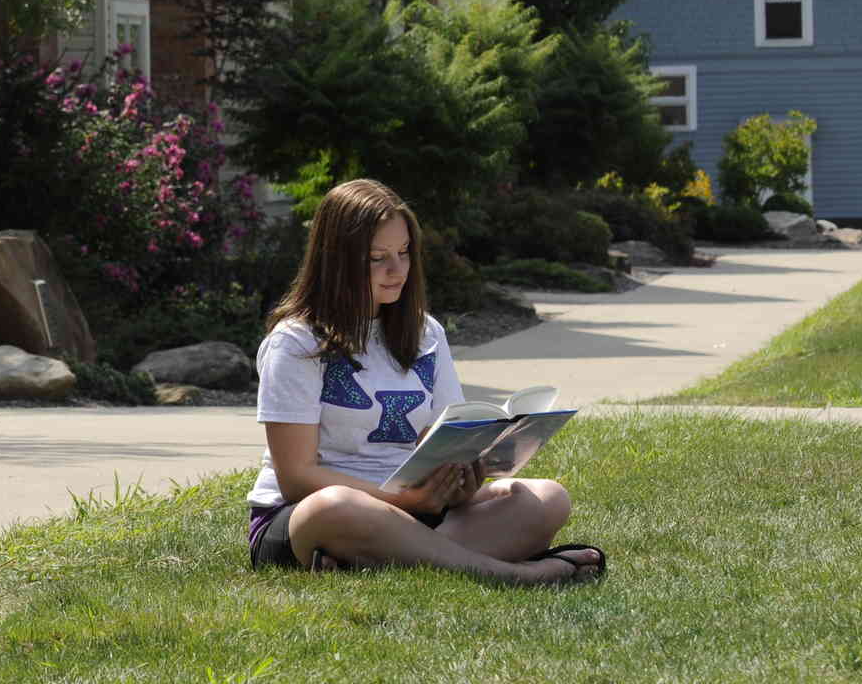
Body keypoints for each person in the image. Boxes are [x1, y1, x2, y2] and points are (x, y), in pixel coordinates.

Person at [246, 178, 606, 584]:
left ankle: (373, 561)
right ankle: (509, 573)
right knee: (336, 506)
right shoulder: (296, 342)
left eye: (403, 253)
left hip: (418, 508)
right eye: (376, 258)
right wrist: (402, 500)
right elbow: (296, 478)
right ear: (336, 259)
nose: (397, 270)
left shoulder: (426, 333)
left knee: (547, 498)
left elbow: (444, 435)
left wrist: (462, 481)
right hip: (310, 516)